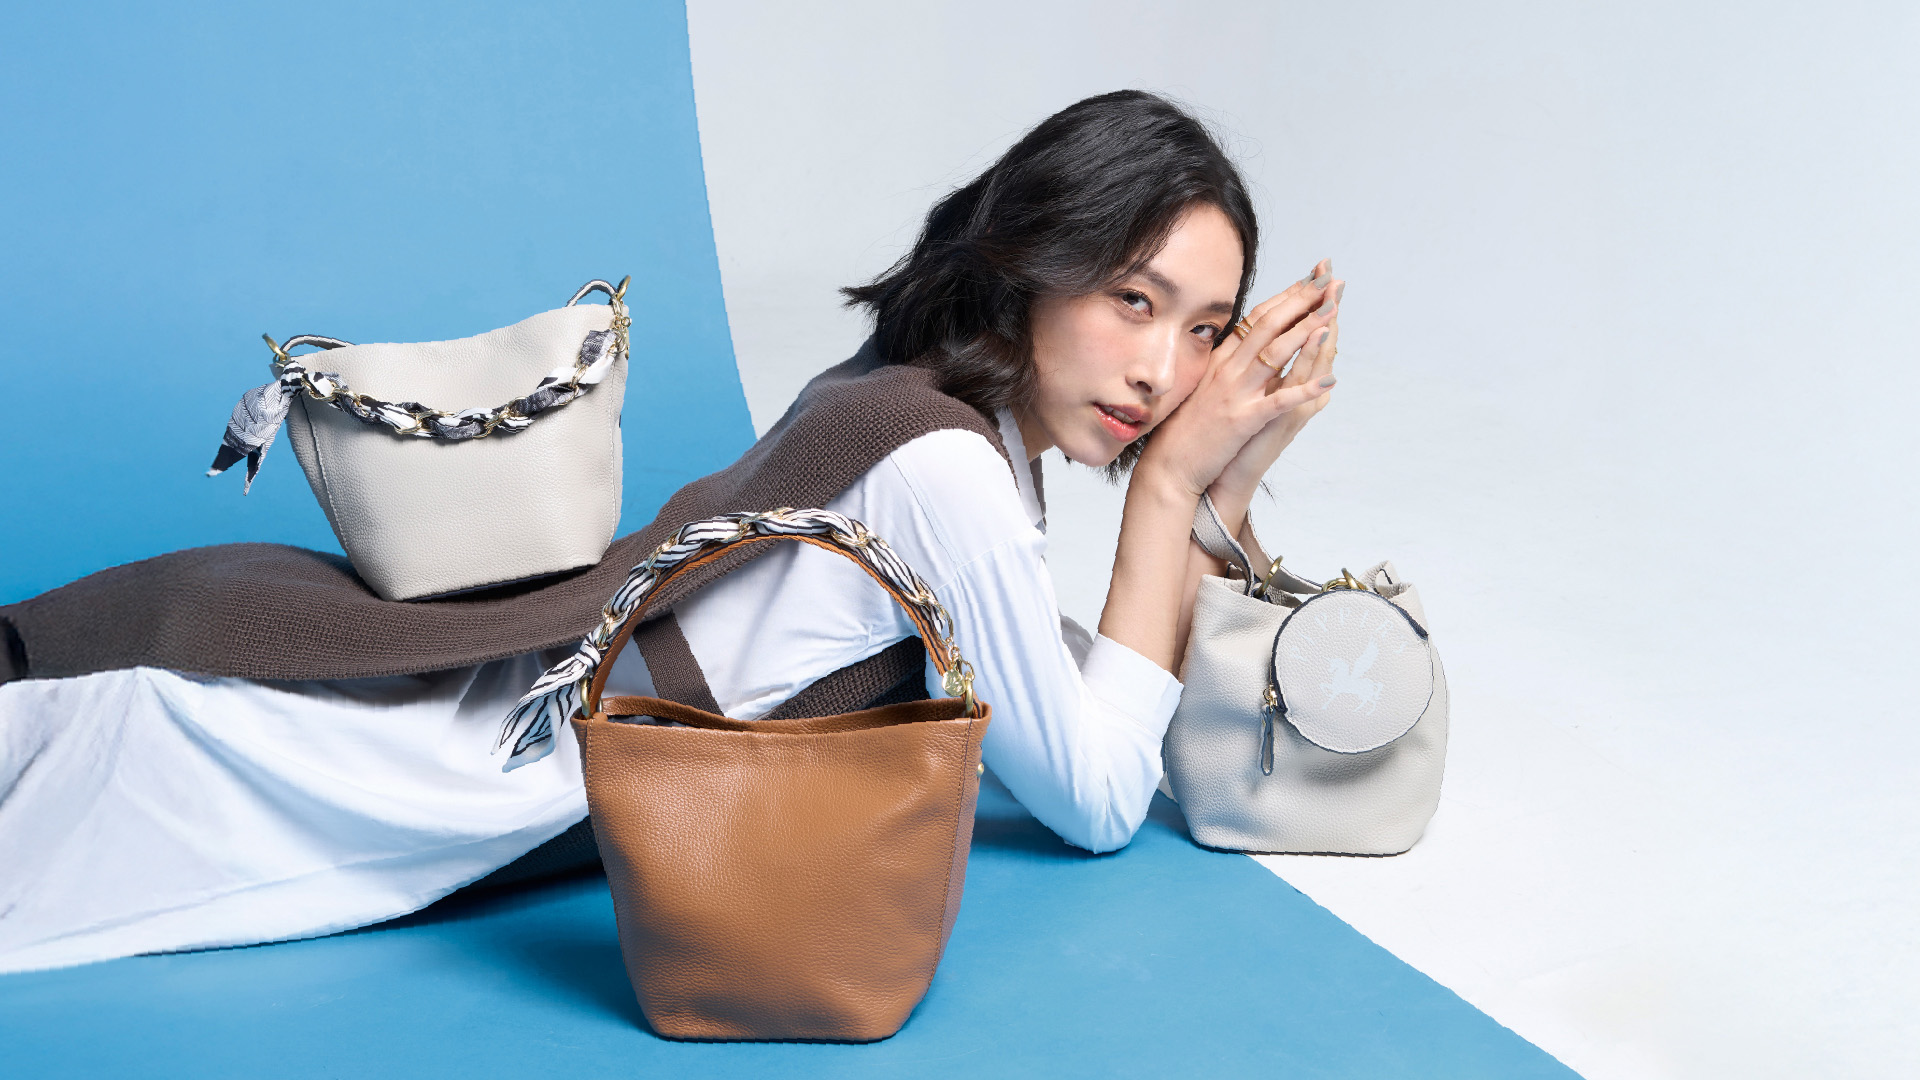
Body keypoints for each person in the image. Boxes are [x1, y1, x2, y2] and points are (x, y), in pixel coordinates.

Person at [0, 90, 1341, 974]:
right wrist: (1174, 496)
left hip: (399, 716)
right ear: (1032, 264)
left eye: (1206, 332)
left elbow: (1056, 692)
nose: (1162, 372)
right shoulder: (949, 472)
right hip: (320, 745)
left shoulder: (919, 409)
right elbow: (1097, 799)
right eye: (1131, 299)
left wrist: (1209, 494)